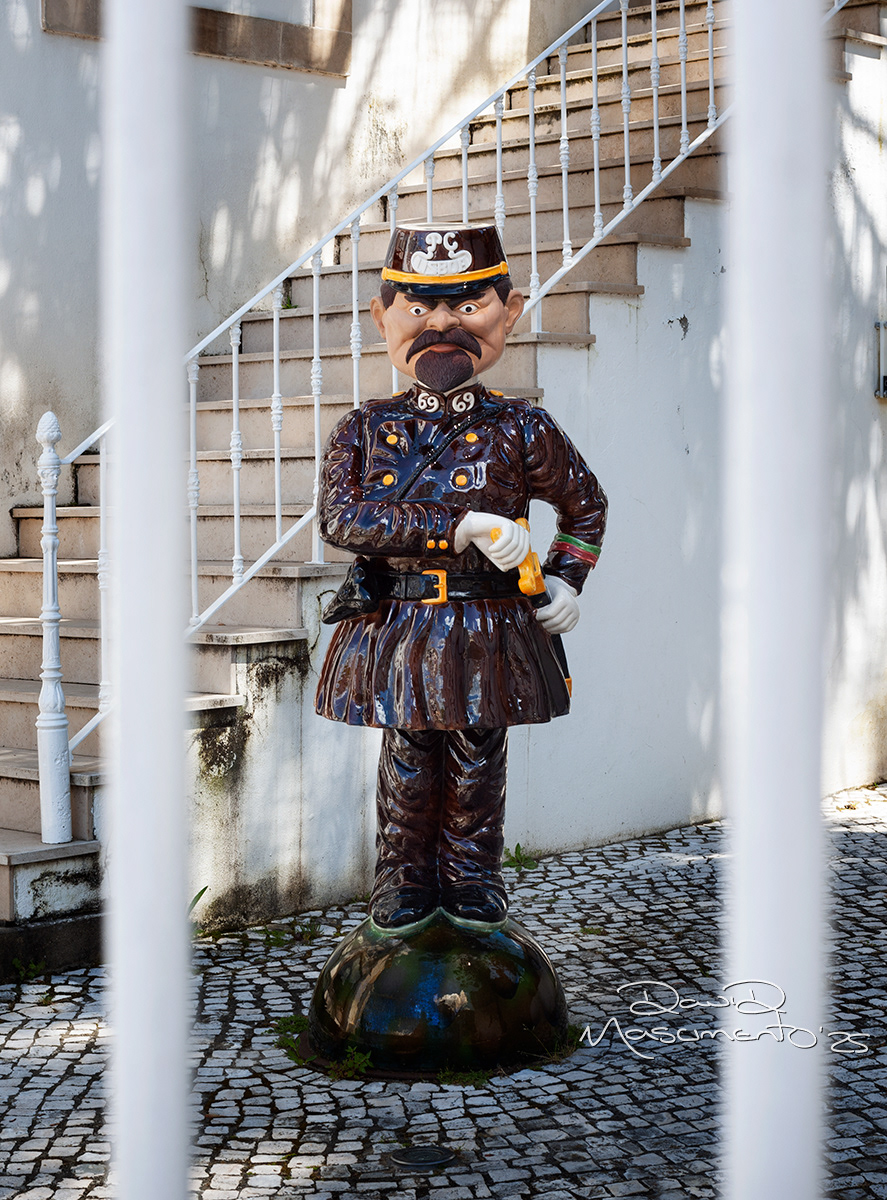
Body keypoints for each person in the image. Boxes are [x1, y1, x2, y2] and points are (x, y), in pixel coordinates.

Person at [314, 222, 607, 932]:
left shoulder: (522, 428)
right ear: (382, 317)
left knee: (479, 757)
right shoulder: (366, 428)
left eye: (467, 306)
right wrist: (462, 526)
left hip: (488, 626)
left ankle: (473, 881)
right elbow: (342, 520)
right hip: (404, 623)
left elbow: (583, 506)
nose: (441, 324)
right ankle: (402, 882)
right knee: (409, 755)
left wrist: (566, 580)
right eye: (417, 308)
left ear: (508, 313)